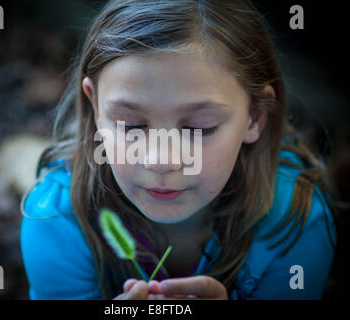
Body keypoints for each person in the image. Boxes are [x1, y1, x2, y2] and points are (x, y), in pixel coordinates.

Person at [20, 0, 337, 300]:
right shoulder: (56, 222)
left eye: (199, 128)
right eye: (131, 125)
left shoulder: (295, 224)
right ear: (96, 107)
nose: (161, 161)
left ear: (255, 117)